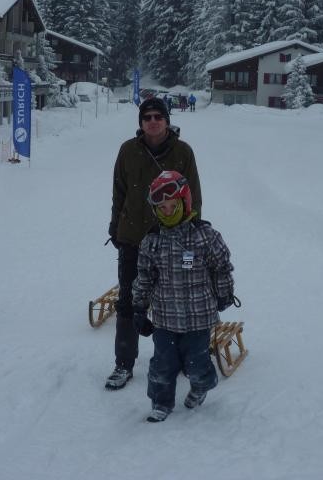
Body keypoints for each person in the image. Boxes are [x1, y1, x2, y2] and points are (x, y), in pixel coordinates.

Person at [106, 97, 202, 390]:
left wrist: (192, 234)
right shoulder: (128, 150)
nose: (152, 121)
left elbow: (194, 196)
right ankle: (123, 363)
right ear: (141, 122)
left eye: (158, 116)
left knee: (177, 301)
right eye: (147, 117)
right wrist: (116, 226)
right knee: (128, 301)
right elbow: (119, 192)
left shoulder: (183, 151)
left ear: (167, 120)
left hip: (171, 241)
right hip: (133, 238)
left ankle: (182, 358)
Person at [132, 170, 236, 422]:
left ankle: (202, 386)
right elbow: (144, 276)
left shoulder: (205, 236)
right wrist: (139, 308)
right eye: (161, 208)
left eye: (172, 206)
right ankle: (161, 402)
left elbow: (222, 267)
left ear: (184, 203)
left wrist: (224, 294)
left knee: (197, 364)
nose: (167, 212)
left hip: (198, 318)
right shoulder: (151, 241)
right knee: (162, 364)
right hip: (165, 318)